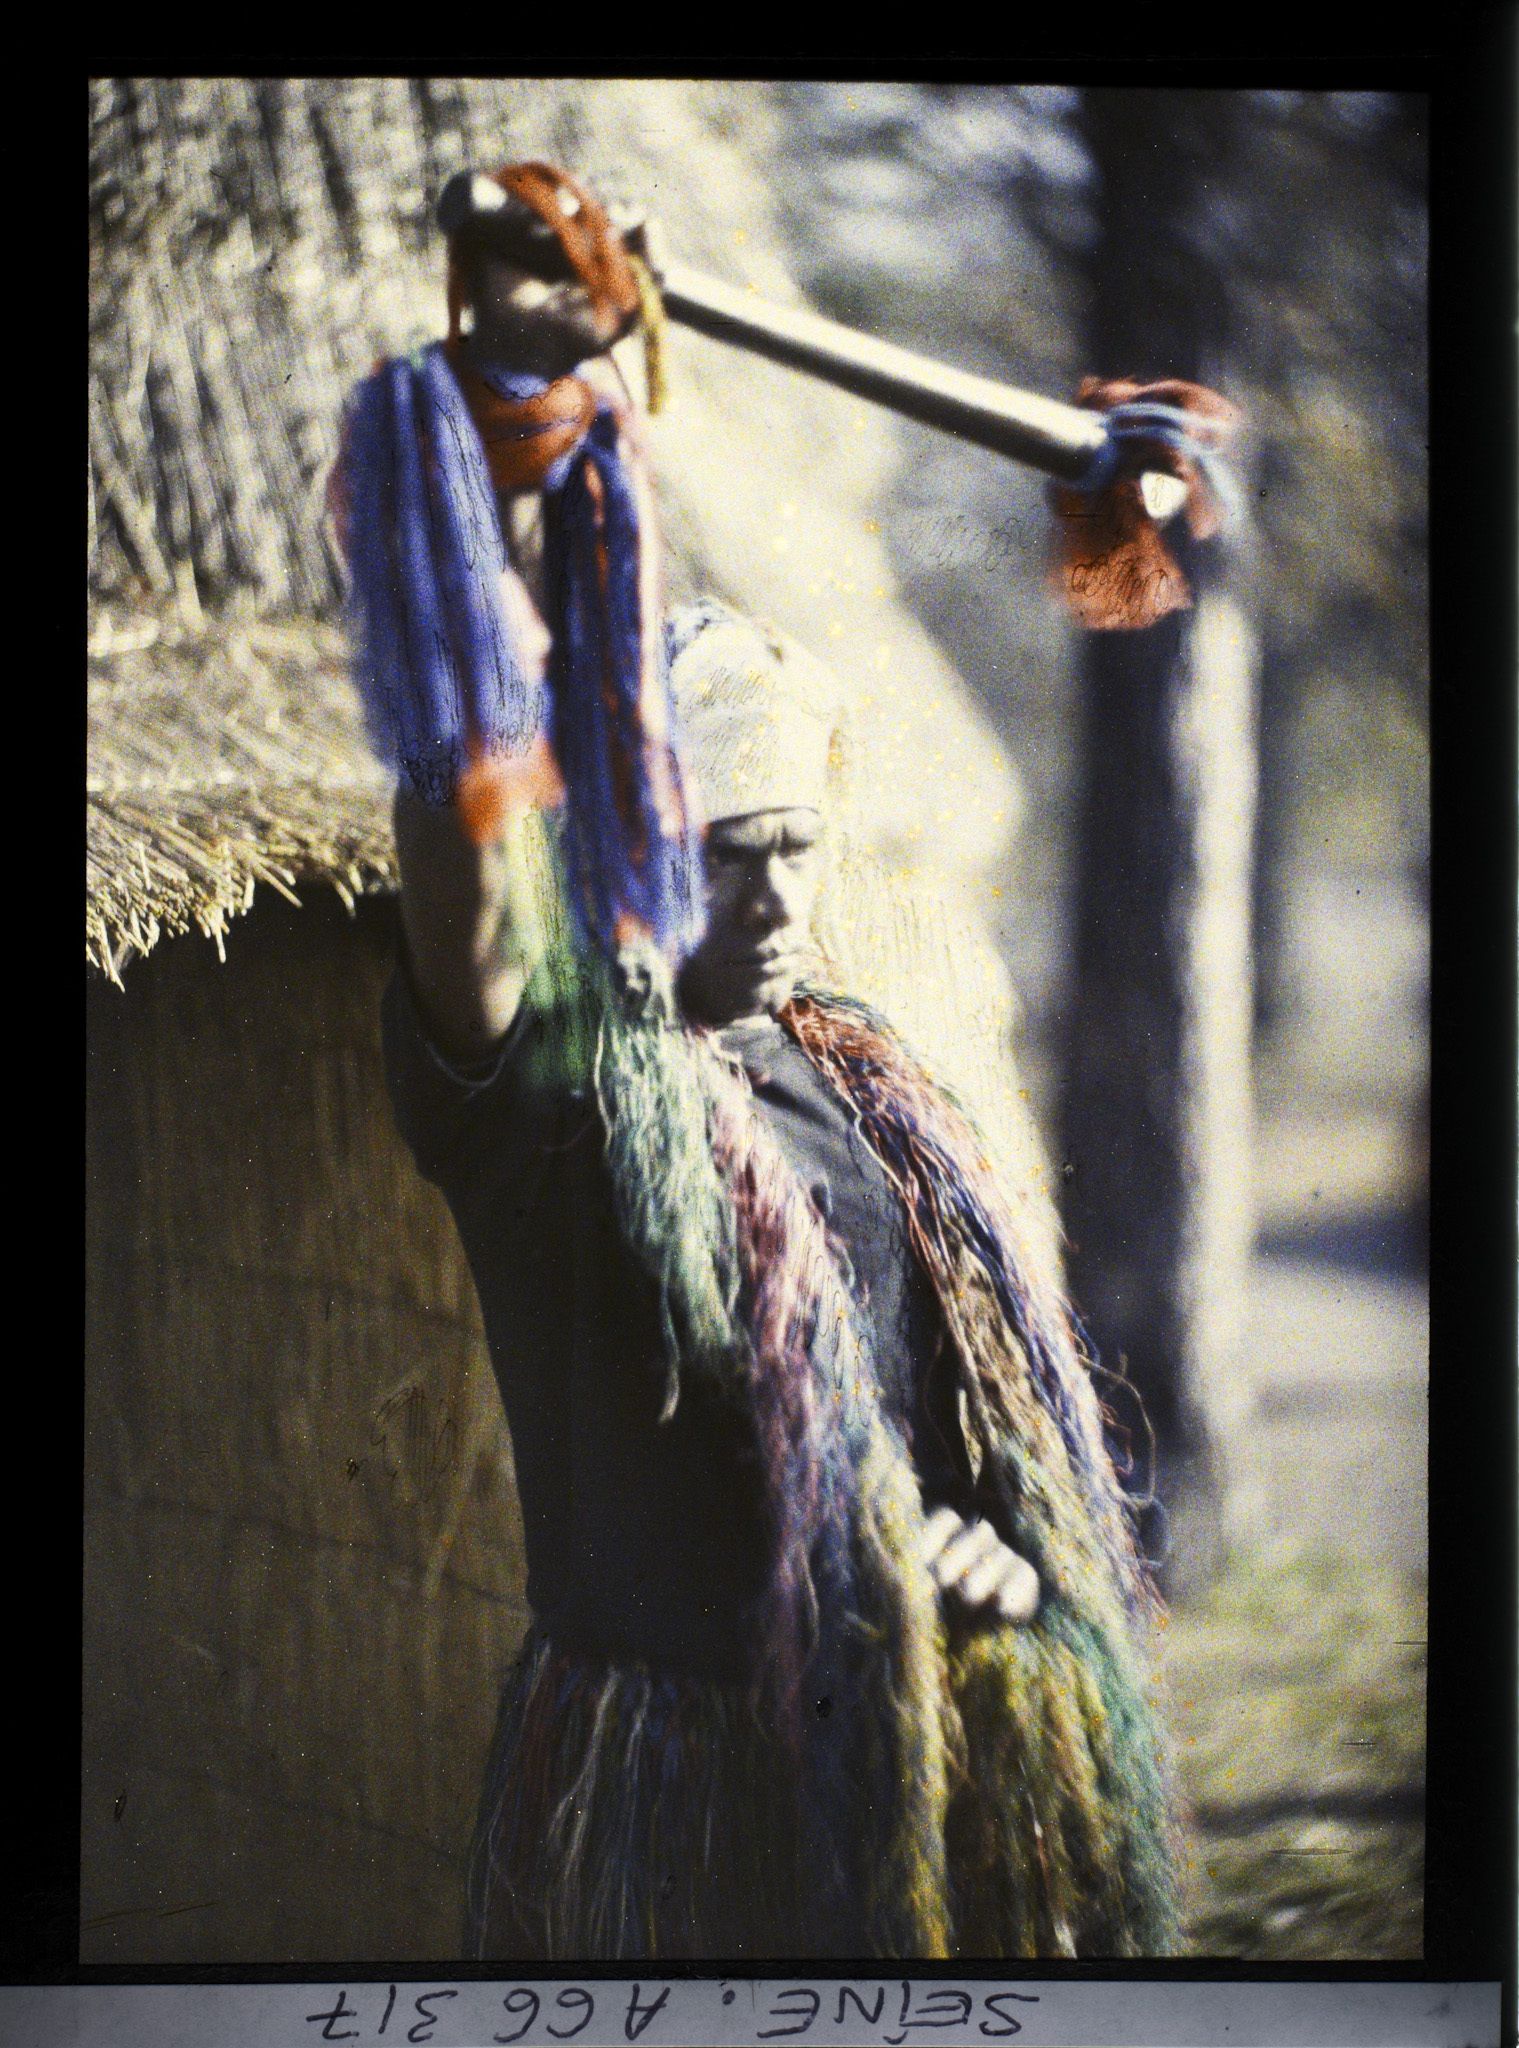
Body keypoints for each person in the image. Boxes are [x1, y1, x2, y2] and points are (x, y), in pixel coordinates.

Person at [363, 162, 1177, 1963]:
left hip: (926, 1752)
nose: (783, 889)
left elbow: (949, 1401)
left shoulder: (874, 1090)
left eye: (797, 838)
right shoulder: (552, 1097)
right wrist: (497, 431)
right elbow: (457, 830)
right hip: (672, 1789)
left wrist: (995, 1566)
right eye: (727, 847)